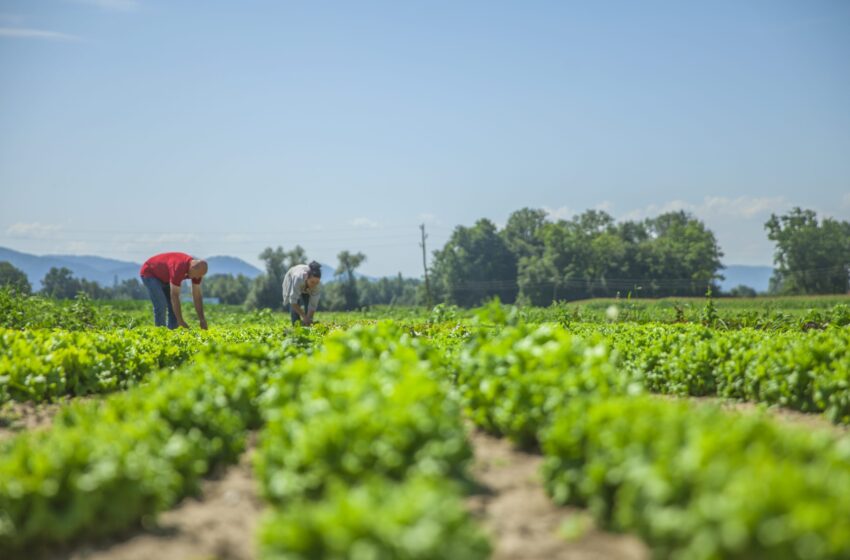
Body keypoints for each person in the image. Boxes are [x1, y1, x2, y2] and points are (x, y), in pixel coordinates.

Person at [140, 252, 209, 329]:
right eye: (196, 275)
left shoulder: (197, 273)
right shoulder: (179, 267)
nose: (197, 278)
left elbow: (197, 296)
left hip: (166, 278)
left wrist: (202, 319)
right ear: (192, 268)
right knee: (161, 304)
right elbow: (174, 296)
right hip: (150, 273)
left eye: (199, 276)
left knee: (173, 308)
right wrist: (180, 321)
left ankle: (172, 332)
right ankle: (161, 333)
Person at [282, 261, 322, 325]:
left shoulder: (317, 286)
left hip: (305, 286)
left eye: (316, 282)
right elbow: (293, 302)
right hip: (291, 278)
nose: (314, 285)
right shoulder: (297, 278)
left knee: (308, 307)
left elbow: (313, 305)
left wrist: (308, 318)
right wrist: (304, 316)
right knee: (295, 305)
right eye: (312, 282)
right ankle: (295, 326)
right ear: (306, 277)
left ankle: (307, 326)